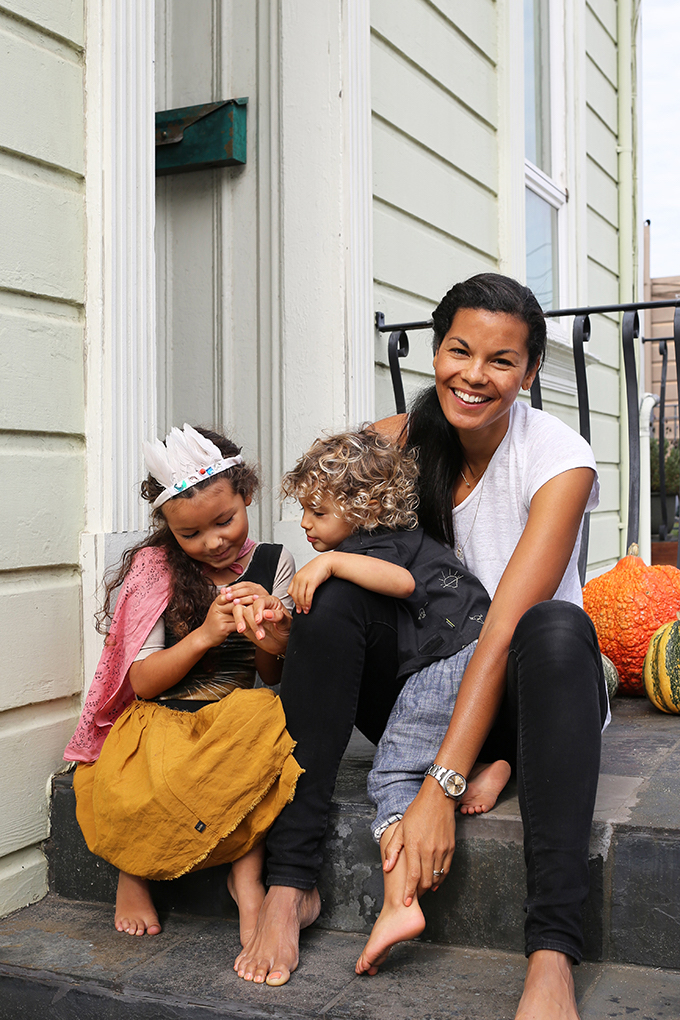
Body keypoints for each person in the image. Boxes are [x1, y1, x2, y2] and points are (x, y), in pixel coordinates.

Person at [234, 274, 607, 1020]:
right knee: (335, 594)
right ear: (436, 351)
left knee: (559, 629)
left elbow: (502, 625)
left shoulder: (559, 460)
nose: (475, 375)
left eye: (502, 361)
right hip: (428, 684)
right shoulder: (400, 439)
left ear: (529, 373)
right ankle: (291, 882)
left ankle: (552, 955)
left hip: (530, 694)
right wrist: (273, 619)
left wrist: (441, 784)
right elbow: (324, 518)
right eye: (459, 350)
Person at [63, 424, 302, 946]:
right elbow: (143, 683)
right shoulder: (155, 569)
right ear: (170, 530)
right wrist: (203, 637)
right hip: (165, 713)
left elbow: (272, 675)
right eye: (190, 534)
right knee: (141, 777)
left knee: (263, 724)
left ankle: (247, 879)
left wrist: (273, 629)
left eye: (225, 521)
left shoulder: (272, 561)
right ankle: (134, 872)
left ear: (247, 495)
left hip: (234, 714)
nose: (214, 542)